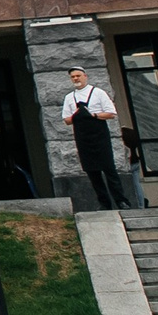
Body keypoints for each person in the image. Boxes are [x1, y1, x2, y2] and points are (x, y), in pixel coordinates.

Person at [61, 66, 131, 209]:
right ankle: (104, 203)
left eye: (78, 76)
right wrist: (77, 115)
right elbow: (66, 120)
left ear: (85, 76)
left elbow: (111, 113)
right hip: (82, 138)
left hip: (100, 136)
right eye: (73, 77)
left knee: (109, 169)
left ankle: (121, 201)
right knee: (92, 172)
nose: (76, 79)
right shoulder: (69, 97)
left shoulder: (98, 93)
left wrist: (93, 115)